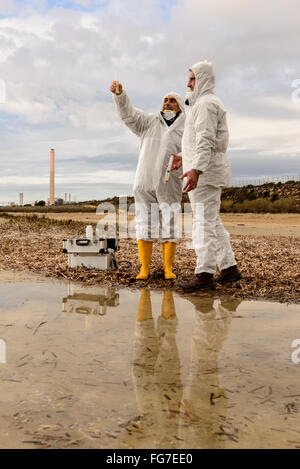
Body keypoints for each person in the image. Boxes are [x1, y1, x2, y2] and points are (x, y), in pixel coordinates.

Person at [170, 61, 242, 291]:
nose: (188, 83)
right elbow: (197, 142)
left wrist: (196, 169)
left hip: (207, 173)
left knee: (203, 223)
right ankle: (229, 268)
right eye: (189, 79)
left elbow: (206, 140)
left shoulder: (206, 104)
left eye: (192, 79)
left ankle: (204, 274)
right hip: (206, 170)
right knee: (211, 222)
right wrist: (184, 158)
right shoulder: (202, 104)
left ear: (203, 79)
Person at [110, 81, 185, 280]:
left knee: (169, 223)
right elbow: (129, 115)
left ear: (180, 106)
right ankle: (145, 269)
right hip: (144, 181)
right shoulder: (149, 122)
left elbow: (193, 150)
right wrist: (120, 95)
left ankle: (168, 268)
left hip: (170, 182)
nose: (167, 103)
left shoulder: (186, 127)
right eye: (165, 100)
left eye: (172, 101)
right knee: (145, 223)